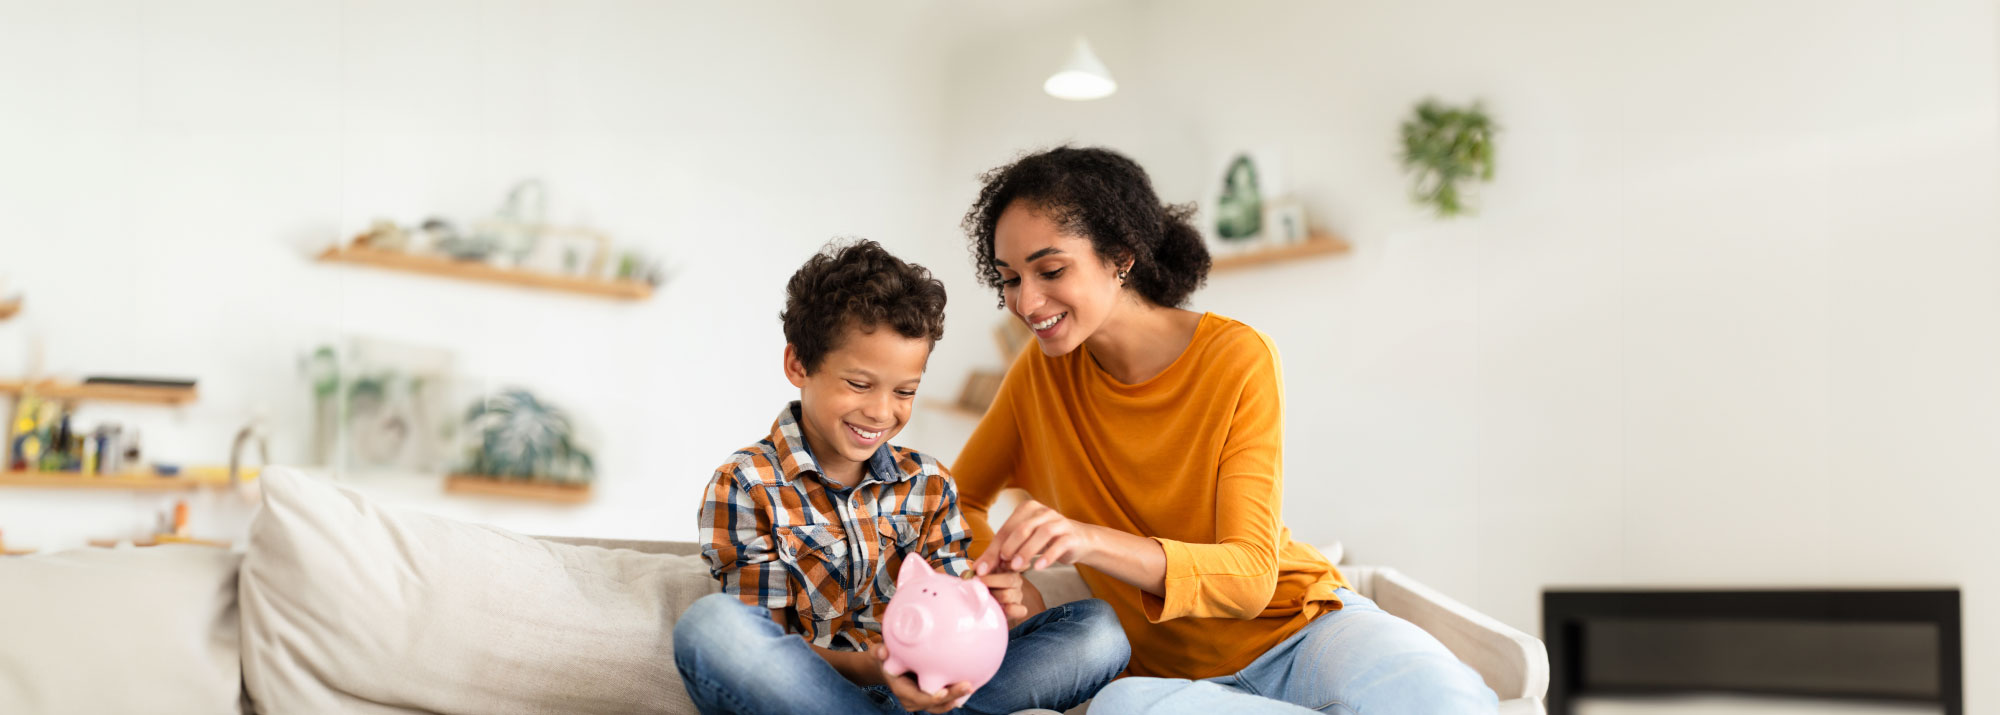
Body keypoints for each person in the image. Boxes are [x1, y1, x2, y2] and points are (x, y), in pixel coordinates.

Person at [952, 147, 1498, 714]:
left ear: (1120, 256)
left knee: (1442, 700)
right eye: (1010, 279)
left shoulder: (1236, 357)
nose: (1025, 301)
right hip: (1168, 683)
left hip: (1304, 634)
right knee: (1119, 709)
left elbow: (1250, 578)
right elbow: (955, 500)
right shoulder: (1038, 376)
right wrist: (1010, 588)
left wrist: (1087, 539)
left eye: (1051, 270)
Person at [673, 239, 1130, 715]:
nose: (881, 412)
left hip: (932, 696)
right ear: (798, 365)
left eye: (905, 391)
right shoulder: (746, 483)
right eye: (859, 384)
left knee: (1098, 630)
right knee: (712, 626)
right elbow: (770, 641)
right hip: (821, 691)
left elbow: (955, 619)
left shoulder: (929, 482)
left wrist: (1000, 606)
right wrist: (878, 669)